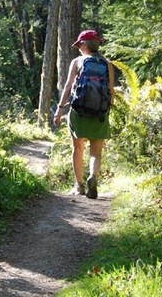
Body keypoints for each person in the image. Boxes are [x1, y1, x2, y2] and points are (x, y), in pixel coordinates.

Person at [53, 30, 114, 199]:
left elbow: (67, 86)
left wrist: (59, 109)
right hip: (100, 112)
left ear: (85, 45)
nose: (79, 48)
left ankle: (79, 186)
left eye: (80, 44)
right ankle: (92, 177)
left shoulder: (78, 62)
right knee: (96, 151)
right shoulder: (106, 64)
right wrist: (107, 109)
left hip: (78, 111)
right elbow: (110, 91)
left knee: (77, 148)